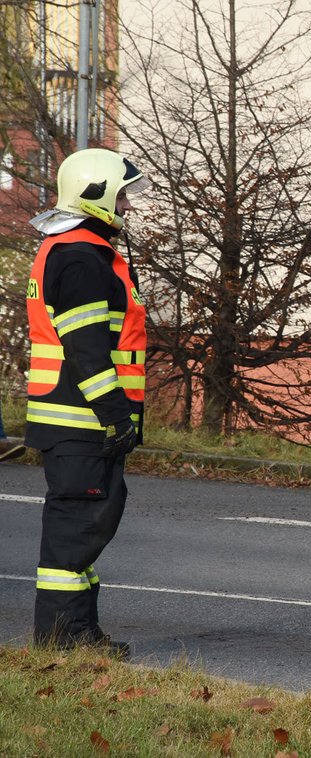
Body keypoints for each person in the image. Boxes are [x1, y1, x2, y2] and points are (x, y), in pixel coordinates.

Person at [25, 148, 150, 656]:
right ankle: (62, 641)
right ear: (96, 193)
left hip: (79, 422)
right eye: (121, 195)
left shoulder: (80, 250)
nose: (127, 206)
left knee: (87, 527)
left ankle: (79, 632)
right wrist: (115, 415)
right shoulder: (80, 257)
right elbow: (87, 349)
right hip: (82, 421)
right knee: (76, 528)